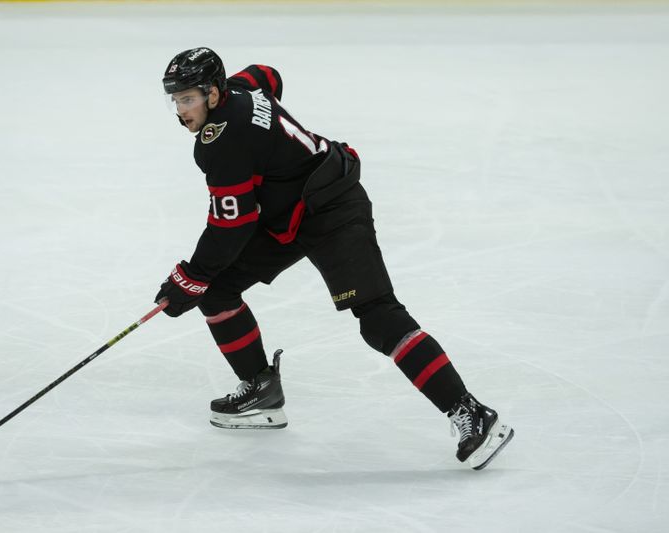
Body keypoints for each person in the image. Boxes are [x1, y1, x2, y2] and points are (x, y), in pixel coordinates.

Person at [154, 47, 514, 469]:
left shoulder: (222, 145)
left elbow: (231, 227)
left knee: (377, 316)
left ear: (214, 94)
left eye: (188, 99)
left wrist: (189, 278)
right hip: (289, 213)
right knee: (217, 291)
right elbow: (268, 75)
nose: (181, 111)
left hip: (333, 207)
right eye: (176, 100)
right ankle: (261, 389)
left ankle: (470, 411)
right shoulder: (242, 87)